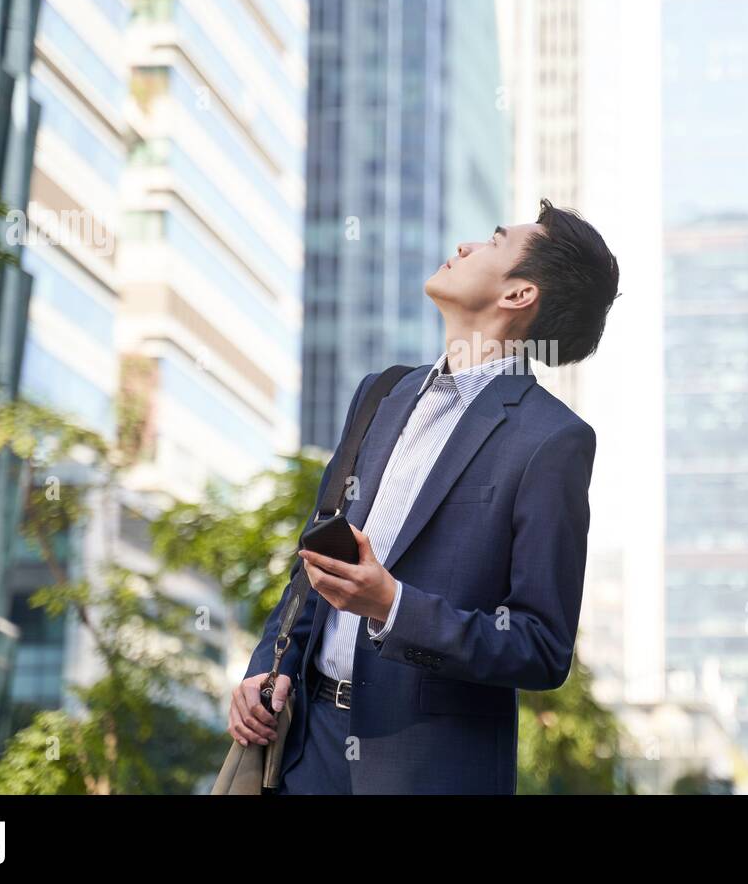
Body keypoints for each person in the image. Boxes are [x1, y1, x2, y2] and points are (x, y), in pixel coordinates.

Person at [229, 198, 619, 793]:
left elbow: (542, 647)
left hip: (426, 768)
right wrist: (266, 671)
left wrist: (393, 606)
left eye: (492, 242)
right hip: (307, 751)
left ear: (519, 295)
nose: (465, 246)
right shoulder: (380, 394)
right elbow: (313, 568)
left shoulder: (552, 441)